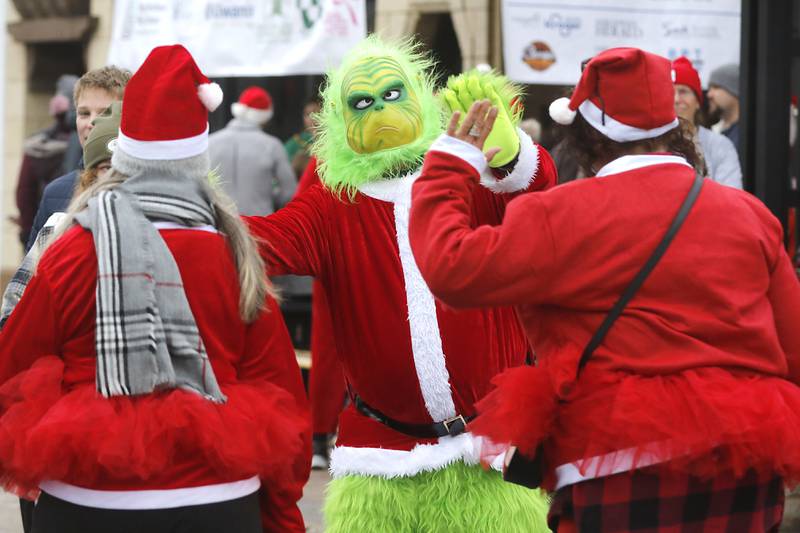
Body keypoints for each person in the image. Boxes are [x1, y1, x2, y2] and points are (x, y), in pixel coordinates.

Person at [409, 47, 800, 531]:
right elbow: (793, 349)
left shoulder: (559, 214)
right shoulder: (750, 215)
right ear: (673, 127)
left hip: (616, 465)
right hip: (744, 464)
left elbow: (450, 268)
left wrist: (450, 164)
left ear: (585, 135)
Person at [244, 36, 557, 532]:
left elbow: (536, 198)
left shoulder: (470, 178)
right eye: (362, 103)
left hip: (490, 454)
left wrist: (511, 154)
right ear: (342, 121)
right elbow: (262, 244)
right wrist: (180, 204)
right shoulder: (333, 203)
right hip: (380, 462)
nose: (381, 111)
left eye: (393, 95)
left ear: (418, 94)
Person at [0, 45, 310, 533]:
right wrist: (282, 513)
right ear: (196, 158)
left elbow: (14, 363)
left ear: (123, 151)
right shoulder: (233, 252)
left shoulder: (74, 246)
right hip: (217, 497)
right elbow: (279, 388)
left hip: (88, 499)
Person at [1, 102, 122, 330]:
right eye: (107, 168)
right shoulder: (55, 229)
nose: (91, 122)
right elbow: (15, 309)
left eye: (123, 169)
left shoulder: (159, 229)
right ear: (91, 174)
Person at [25, 65, 131, 252]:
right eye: (83, 113)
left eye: (105, 113)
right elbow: (34, 272)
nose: (91, 123)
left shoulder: (149, 188)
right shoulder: (55, 192)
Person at [209, 86, 296, 216]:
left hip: (219, 222)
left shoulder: (210, 142)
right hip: (259, 223)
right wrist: (268, 199)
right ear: (265, 116)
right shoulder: (272, 145)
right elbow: (289, 191)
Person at [13, 75, 77, 246]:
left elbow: (24, 191)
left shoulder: (37, 145)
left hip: (43, 228)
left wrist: (27, 229)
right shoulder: (90, 145)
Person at [672, 56, 742, 188]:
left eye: (683, 92)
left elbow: (731, 196)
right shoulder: (650, 144)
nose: (676, 99)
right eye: (670, 92)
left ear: (698, 102)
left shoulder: (720, 145)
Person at [708, 63, 741, 152]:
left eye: (716, 87)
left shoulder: (745, 136)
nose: (709, 95)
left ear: (733, 91)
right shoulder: (714, 132)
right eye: (709, 88)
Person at [284, 97, 321, 177]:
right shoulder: (294, 143)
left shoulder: (336, 142)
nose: (312, 118)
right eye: (307, 114)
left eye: (316, 113)